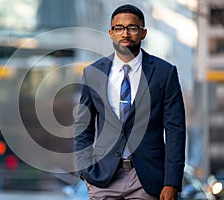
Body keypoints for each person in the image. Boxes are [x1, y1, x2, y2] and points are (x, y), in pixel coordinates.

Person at [74, 4, 186, 200]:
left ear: (143, 33)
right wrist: (85, 171)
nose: (125, 33)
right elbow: (83, 126)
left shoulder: (164, 73)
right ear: (111, 33)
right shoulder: (93, 73)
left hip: (147, 180)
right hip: (103, 179)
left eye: (132, 28)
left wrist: (171, 182)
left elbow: (175, 130)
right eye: (119, 28)